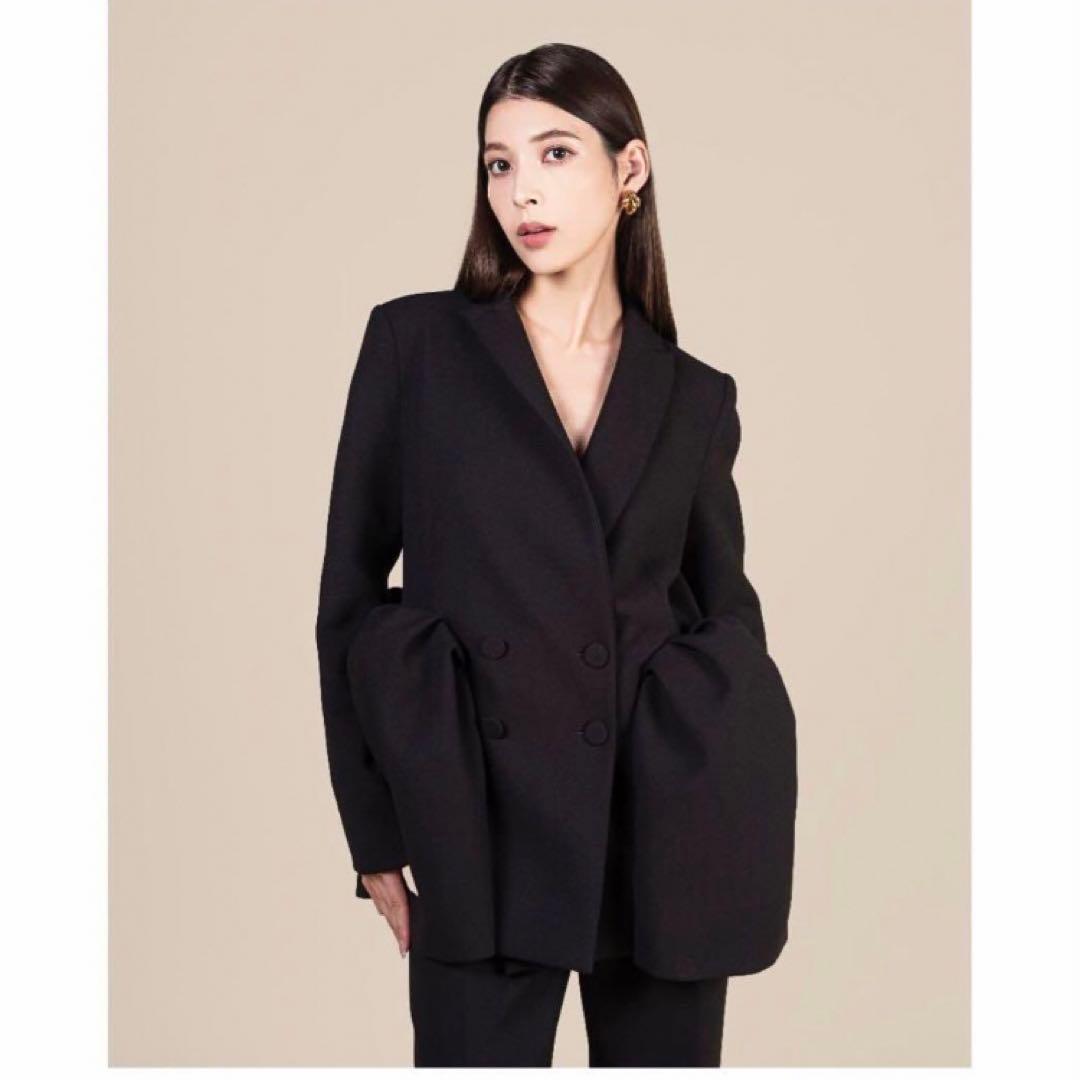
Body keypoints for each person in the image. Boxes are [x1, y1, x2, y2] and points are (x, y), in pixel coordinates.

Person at [315, 42, 798, 1067]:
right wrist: (375, 830)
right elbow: (346, 599)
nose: (521, 191)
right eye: (498, 163)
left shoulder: (693, 396)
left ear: (631, 170)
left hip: (660, 834)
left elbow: (725, 613)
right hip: (474, 823)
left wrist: (724, 775)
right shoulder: (417, 348)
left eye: (555, 153)